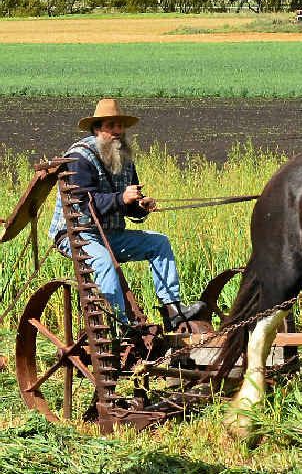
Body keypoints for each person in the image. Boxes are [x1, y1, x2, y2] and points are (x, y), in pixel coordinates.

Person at [48, 98, 205, 331]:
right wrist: (122, 198)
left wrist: (141, 206)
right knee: (103, 262)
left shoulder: (125, 158)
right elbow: (82, 203)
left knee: (158, 242)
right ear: (97, 128)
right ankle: (122, 325)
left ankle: (172, 309)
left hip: (111, 234)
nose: (118, 131)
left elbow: (130, 204)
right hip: (77, 235)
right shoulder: (80, 157)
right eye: (112, 126)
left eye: (121, 126)